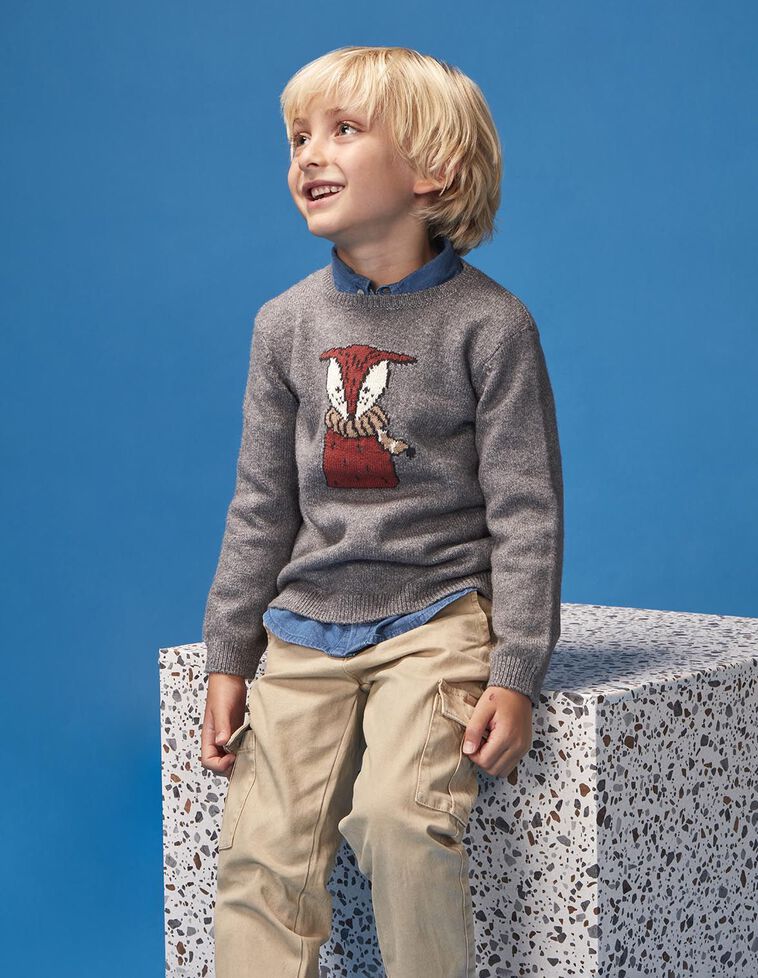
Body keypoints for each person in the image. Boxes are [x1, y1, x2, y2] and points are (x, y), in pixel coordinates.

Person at [200, 45, 564, 978]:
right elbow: (261, 504)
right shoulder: (284, 325)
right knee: (260, 855)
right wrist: (229, 653)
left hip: (436, 621)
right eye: (298, 138)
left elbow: (526, 511)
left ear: (432, 169)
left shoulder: (492, 326)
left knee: (401, 823)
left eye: (344, 130)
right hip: (304, 629)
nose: (308, 155)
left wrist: (516, 672)